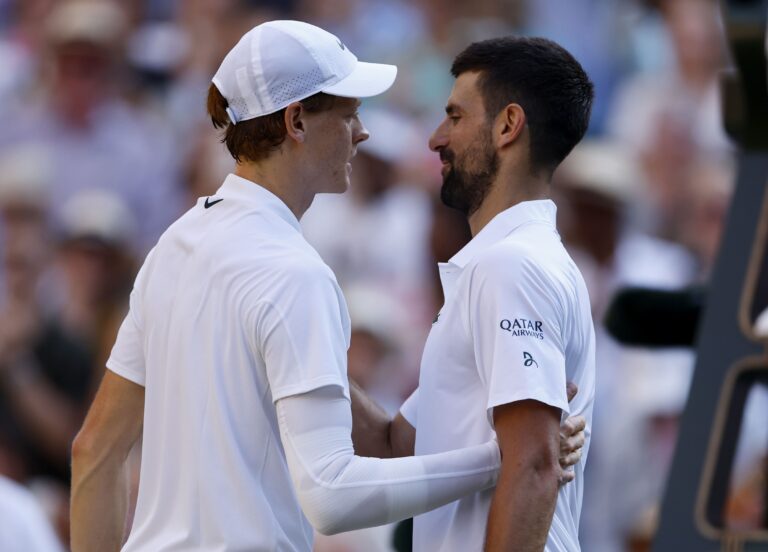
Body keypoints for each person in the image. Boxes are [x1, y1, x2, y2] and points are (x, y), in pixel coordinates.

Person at [70, 21, 586, 552]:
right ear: (296, 121)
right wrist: (495, 461)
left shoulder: (173, 248)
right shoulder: (296, 272)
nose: (361, 132)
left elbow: (94, 452)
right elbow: (330, 496)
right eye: (348, 113)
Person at [398, 37, 597, 551]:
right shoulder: (506, 264)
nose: (436, 138)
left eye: (455, 116)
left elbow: (534, 465)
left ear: (508, 125)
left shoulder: (509, 266)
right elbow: (398, 444)